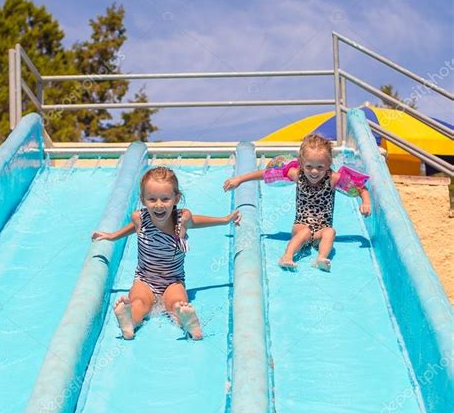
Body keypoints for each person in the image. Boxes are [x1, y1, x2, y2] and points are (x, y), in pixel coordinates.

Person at [92, 166, 241, 340]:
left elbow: (200, 221)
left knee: (176, 303)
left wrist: (225, 220)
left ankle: (188, 323)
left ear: (176, 198)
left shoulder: (182, 221)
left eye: (165, 199)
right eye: (152, 199)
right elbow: (133, 228)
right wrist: (112, 236)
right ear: (143, 200)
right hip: (145, 280)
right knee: (139, 301)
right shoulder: (139, 218)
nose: (159, 205)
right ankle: (129, 321)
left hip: (173, 281)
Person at [223, 133, 371, 271]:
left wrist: (366, 202)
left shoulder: (333, 178)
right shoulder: (296, 174)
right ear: (301, 163)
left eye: (320, 167)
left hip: (322, 229)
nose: (314, 171)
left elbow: (360, 188)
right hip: (301, 224)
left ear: (328, 164)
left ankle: (321, 259)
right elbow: (264, 174)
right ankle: (286, 257)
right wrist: (240, 179)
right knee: (305, 231)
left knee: (330, 232)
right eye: (309, 166)